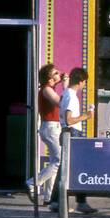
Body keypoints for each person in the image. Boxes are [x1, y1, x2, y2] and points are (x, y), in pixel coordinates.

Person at [50, 67, 97, 215]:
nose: (85, 85)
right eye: (85, 82)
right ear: (81, 81)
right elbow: (69, 120)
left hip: (67, 132)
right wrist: (86, 116)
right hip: (72, 132)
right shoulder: (71, 97)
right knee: (79, 167)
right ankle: (80, 202)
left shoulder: (65, 94)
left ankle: (57, 201)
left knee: (66, 169)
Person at [30, 64, 63, 205]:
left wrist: (61, 79)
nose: (59, 73)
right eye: (56, 72)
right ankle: (33, 182)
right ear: (49, 79)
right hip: (50, 127)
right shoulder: (47, 90)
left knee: (54, 162)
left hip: (53, 127)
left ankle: (48, 197)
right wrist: (66, 86)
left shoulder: (49, 88)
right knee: (60, 160)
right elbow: (60, 102)